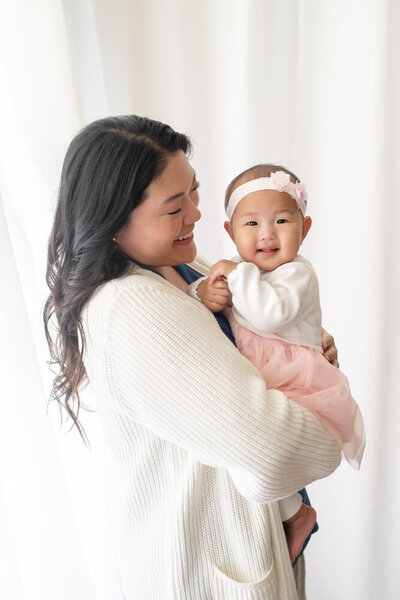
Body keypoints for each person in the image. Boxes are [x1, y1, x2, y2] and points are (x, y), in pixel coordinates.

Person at [44, 116, 342, 600]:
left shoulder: (185, 268)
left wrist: (309, 352)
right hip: (204, 569)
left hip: (252, 545)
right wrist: (327, 410)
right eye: (173, 207)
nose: (196, 215)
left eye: (194, 193)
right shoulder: (133, 307)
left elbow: (265, 337)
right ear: (114, 219)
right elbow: (276, 448)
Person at [187, 164, 366, 563]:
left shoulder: (297, 273)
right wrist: (204, 290)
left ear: (304, 229)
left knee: (262, 457)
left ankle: (296, 514)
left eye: (282, 221)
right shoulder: (237, 267)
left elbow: (270, 316)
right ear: (232, 232)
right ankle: (296, 514)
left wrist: (235, 276)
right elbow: (195, 289)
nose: (267, 233)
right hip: (261, 374)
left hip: (292, 377)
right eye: (251, 223)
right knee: (248, 457)